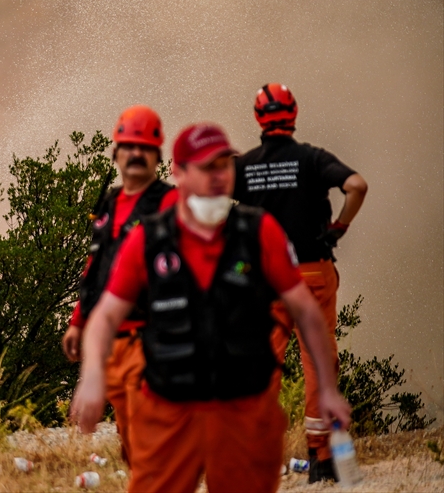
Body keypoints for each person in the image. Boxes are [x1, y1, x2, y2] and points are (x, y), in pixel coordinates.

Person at [70, 123, 350, 493]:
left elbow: (306, 310)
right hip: (169, 408)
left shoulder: (259, 231)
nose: (218, 176)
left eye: (225, 165)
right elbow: (106, 315)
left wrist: (328, 390)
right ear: (179, 173)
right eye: (206, 167)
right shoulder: (147, 239)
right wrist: (91, 379)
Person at [235, 82, 368, 482]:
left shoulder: (245, 166)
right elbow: (357, 186)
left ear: (258, 118)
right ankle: (322, 461)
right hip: (312, 275)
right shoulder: (312, 159)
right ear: (294, 114)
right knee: (319, 365)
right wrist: (339, 227)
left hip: (267, 282)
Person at [62, 105, 177, 465]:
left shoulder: (170, 203)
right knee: (131, 447)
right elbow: (95, 263)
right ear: (116, 152)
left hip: (149, 342)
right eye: (129, 146)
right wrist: (78, 321)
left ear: (158, 155)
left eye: (145, 147)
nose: (136, 154)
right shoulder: (109, 201)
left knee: (152, 447)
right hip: (108, 343)